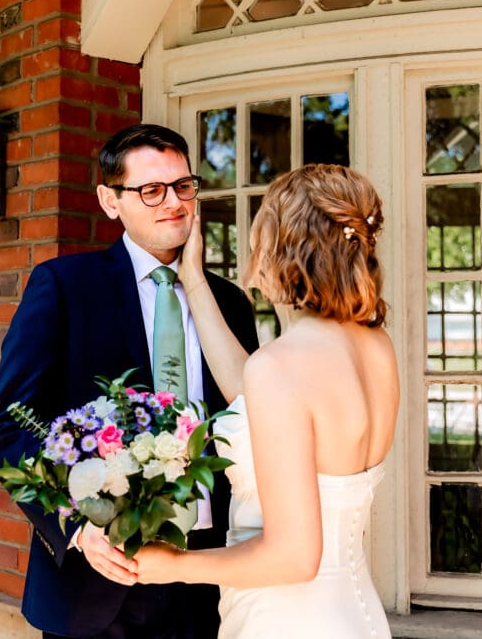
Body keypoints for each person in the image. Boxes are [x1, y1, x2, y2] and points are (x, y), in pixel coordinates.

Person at [0, 123, 259, 639]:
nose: (173, 202)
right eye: (150, 190)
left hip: (210, 575)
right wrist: (78, 525)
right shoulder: (64, 287)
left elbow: (258, 423)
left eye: (183, 186)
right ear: (110, 201)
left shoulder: (230, 305)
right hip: (96, 579)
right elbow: (9, 431)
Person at [132, 164, 399, 638]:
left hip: (284, 619)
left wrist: (173, 564)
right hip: (354, 613)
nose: (253, 258)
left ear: (287, 247)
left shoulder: (281, 366)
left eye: (261, 238)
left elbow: (292, 557)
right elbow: (251, 399)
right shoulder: (374, 348)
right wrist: (192, 276)